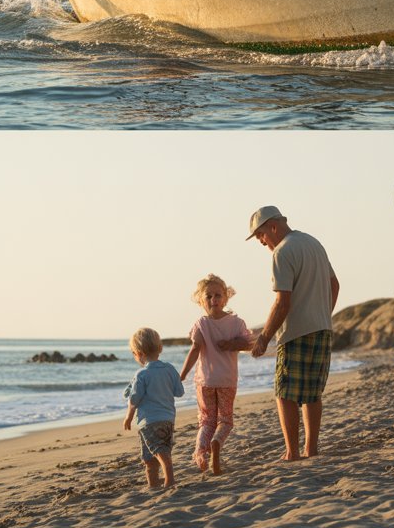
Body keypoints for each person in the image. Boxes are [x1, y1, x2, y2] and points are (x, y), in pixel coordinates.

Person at [247, 206, 339, 461]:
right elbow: (334, 284)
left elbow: (282, 302)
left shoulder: (282, 252)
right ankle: (311, 449)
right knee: (312, 392)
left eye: (261, 236)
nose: (261, 242)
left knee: (284, 393)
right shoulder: (313, 243)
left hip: (295, 333)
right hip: (322, 328)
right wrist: (321, 313)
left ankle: (292, 452)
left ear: (273, 227)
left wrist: (264, 337)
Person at [179, 273, 253, 475]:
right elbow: (248, 343)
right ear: (201, 301)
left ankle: (201, 452)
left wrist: (183, 373)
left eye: (217, 295)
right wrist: (232, 344)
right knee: (225, 421)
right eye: (209, 296)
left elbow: (195, 350)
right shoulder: (236, 323)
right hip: (227, 380)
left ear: (226, 297)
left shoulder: (201, 324)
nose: (214, 300)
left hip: (205, 381)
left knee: (206, 420)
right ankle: (216, 442)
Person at [123, 326, 185, 490]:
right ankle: (153, 486)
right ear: (160, 348)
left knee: (159, 452)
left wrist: (128, 417)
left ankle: (170, 480)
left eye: (134, 353)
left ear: (139, 354)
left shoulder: (141, 374)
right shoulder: (170, 369)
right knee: (150, 457)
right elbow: (179, 392)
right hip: (168, 419)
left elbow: (134, 398)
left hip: (149, 422)